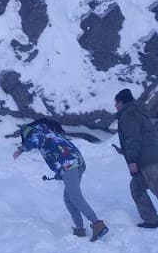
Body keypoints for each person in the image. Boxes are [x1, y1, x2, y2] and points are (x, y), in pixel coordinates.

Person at [13, 120, 108, 240]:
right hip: (75, 162)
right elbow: (57, 151)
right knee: (68, 198)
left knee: (74, 196)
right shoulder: (49, 133)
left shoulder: (36, 132)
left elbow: (35, 140)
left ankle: (97, 224)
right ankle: (79, 229)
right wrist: (60, 173)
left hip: (69, 163)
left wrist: (20, 149)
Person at [113, 88, 158, 229]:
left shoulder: (128, 114)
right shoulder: (137, 112)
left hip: (148, 161)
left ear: (121, 102)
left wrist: (131, 159)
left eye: (116, 102)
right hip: (146, 157)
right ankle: (151, 220)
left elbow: (134, 138)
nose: (115, 106)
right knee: (136, 187)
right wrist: (124, 151)